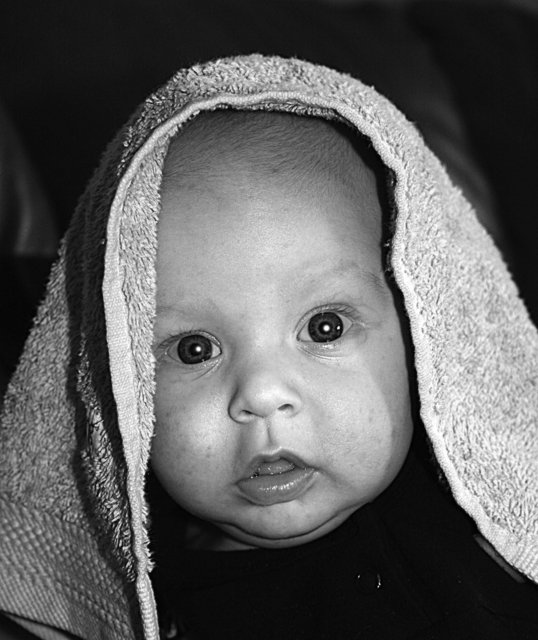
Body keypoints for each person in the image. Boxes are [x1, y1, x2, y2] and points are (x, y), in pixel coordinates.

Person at [0, 54, 536, 640]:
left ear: (422, 329)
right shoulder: (133, 598)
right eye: (195, 349)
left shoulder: (489, 535)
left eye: (325, 328)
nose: (262, 395)